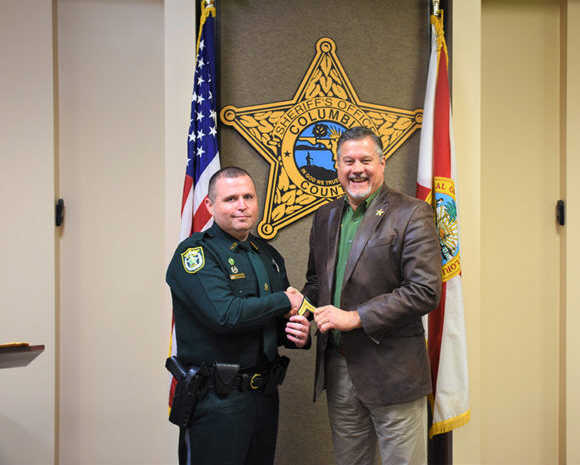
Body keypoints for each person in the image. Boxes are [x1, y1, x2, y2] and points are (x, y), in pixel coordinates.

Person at [300, 126, 442, 464]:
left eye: (366, 160)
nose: (357, 169)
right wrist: (302, 313)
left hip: (393, 373)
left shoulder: (412, 214)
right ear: (337, 166)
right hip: (338, 368)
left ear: (382, 163)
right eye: (348, 161)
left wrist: (355, 317)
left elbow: (424, 291)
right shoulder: (326, 216)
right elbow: (317, 281)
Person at [166, 166, 310, 465]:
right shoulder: (195, 255)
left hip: (264, 395)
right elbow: (226, 315)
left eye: (248, 196)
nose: (242, 205)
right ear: (210, 206)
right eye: (231, 198)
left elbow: (273, 322)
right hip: (217, 400)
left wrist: (298, 333)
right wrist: (284, 300)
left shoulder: (267, 255)